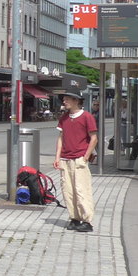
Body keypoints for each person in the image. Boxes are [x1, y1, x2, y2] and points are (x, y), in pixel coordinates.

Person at [54, 89, 99, 232]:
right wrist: (57, 157)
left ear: (76, 101)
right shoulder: (64, 118)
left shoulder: (87, 117)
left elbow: (94, 138)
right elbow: (61, 138)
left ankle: (87, 220)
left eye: (67, 99)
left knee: (81, 189)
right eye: (64, 99)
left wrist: (86, 156)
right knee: (68, 190)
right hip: (65, 158)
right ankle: (74, 218)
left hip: (79, 158)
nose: (64, 101)